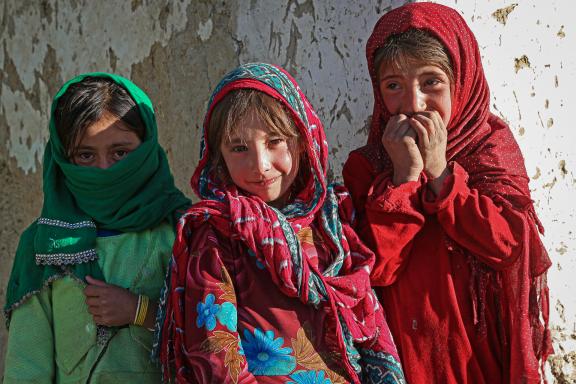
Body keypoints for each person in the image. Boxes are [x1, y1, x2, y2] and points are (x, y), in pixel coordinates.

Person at [156, 63, 405, 383]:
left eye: (275, 141)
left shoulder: (331, 222)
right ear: (218, 155)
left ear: (303, 140)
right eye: (239, 148)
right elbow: (217, 359)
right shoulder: (216, 237)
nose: (260, 165)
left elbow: (370, 326)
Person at [343, 3, 553, 383]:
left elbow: (509, 245)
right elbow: (375, 269)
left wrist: (441, 174)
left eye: (431, 82)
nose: (414, 104)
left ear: (462, 80)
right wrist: (405, 178)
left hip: (480, 356)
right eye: (394, 86)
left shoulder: (490, 150)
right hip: (408, 357)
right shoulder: (368, 166)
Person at [3, 73, 191, 383]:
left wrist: (139, 311)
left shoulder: (181, 232)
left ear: (145, 148)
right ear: (64, 159)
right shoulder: (45, 244)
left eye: (120, 153)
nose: (105, 169)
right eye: (85, 155)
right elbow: (27, 366)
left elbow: (213, 336)